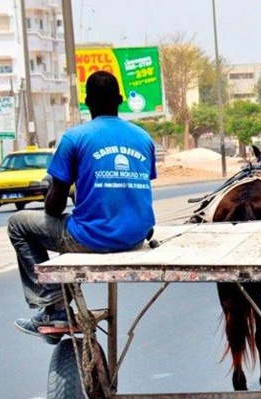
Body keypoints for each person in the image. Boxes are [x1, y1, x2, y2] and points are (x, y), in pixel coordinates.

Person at [11, 71, 157, 344]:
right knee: (73, 222)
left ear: (88, 102)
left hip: (93, 239)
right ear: (120, 100)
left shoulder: (74, 138)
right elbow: (133, 189)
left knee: (18, 223)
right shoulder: (143, 138)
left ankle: (52, 306)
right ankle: (57, 305)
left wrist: (54, 189)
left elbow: (54, 208)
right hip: (136, 237)